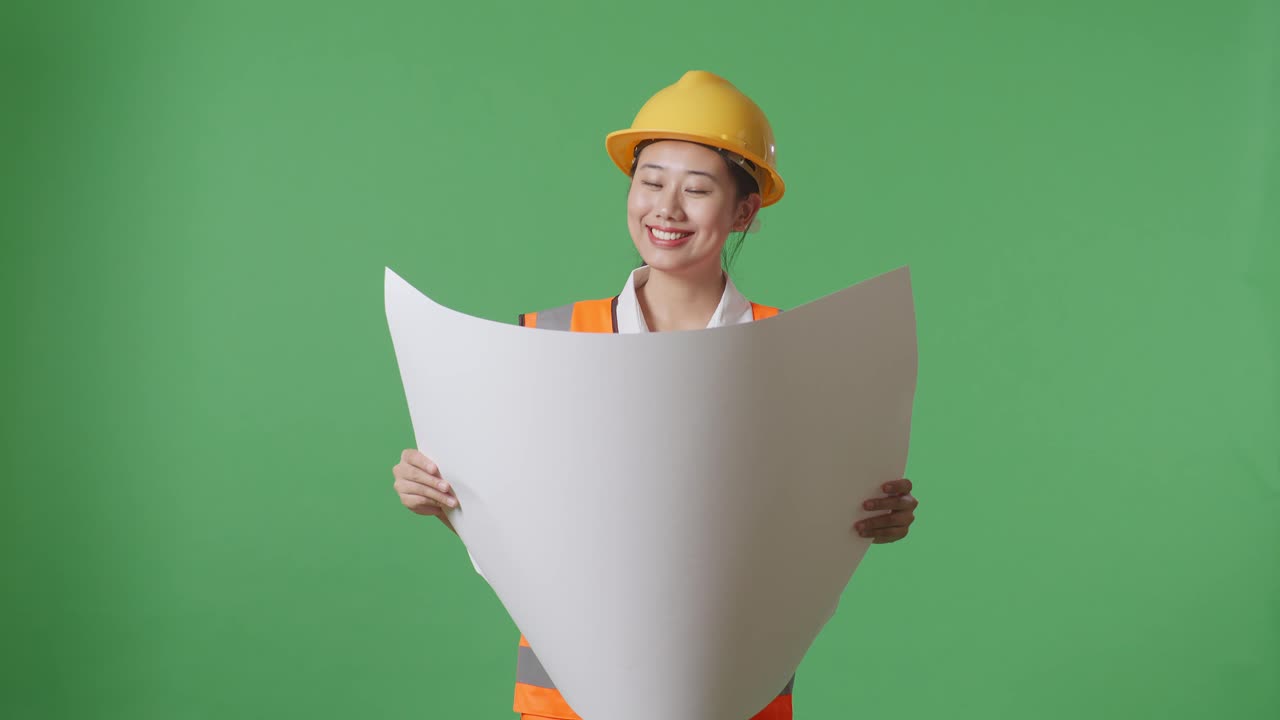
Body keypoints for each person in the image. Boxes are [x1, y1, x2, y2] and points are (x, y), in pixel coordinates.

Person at [391, 70, 920, 720]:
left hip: (735, 699)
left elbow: (808, 513)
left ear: (745, 211)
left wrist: (867, 516)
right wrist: (439, 495)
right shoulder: (542, 342)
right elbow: (518, 526)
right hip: (565, 704)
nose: (666, 208)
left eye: (697, 189)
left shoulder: (794, 355)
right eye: (650, 181)